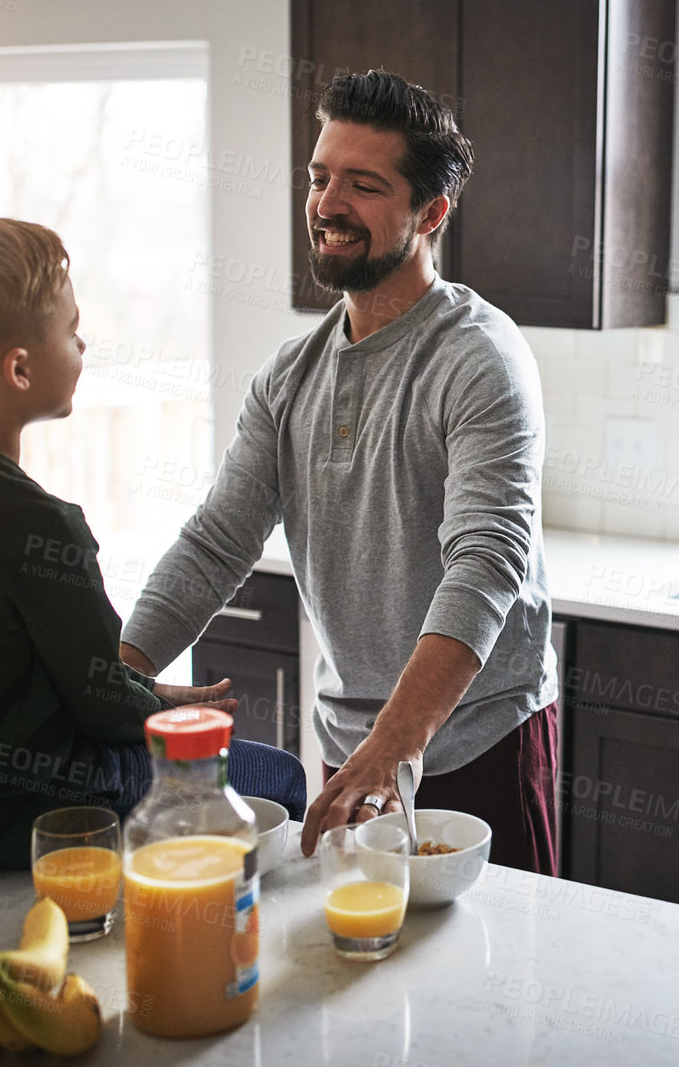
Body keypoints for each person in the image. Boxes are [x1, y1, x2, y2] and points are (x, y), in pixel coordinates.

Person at [120, 69, 559, 873]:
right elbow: (219, 541)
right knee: (366, 977)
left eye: (363, 185)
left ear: (431, 214)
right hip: (353, 749)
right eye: (320, 178)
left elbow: (487, 558)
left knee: (500, 990)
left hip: (474, 742)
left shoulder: (479, 359)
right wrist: (117, 679)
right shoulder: (290, 376)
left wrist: (393, 748)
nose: (326, 204)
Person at [0, 211, 308, 870]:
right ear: (20, 369)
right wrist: (157, 710)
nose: (83, 347)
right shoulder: (40, 524)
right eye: (72, 331)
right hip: (43, 809)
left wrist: (154, 693)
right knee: (280, 777)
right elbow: (107, 709)